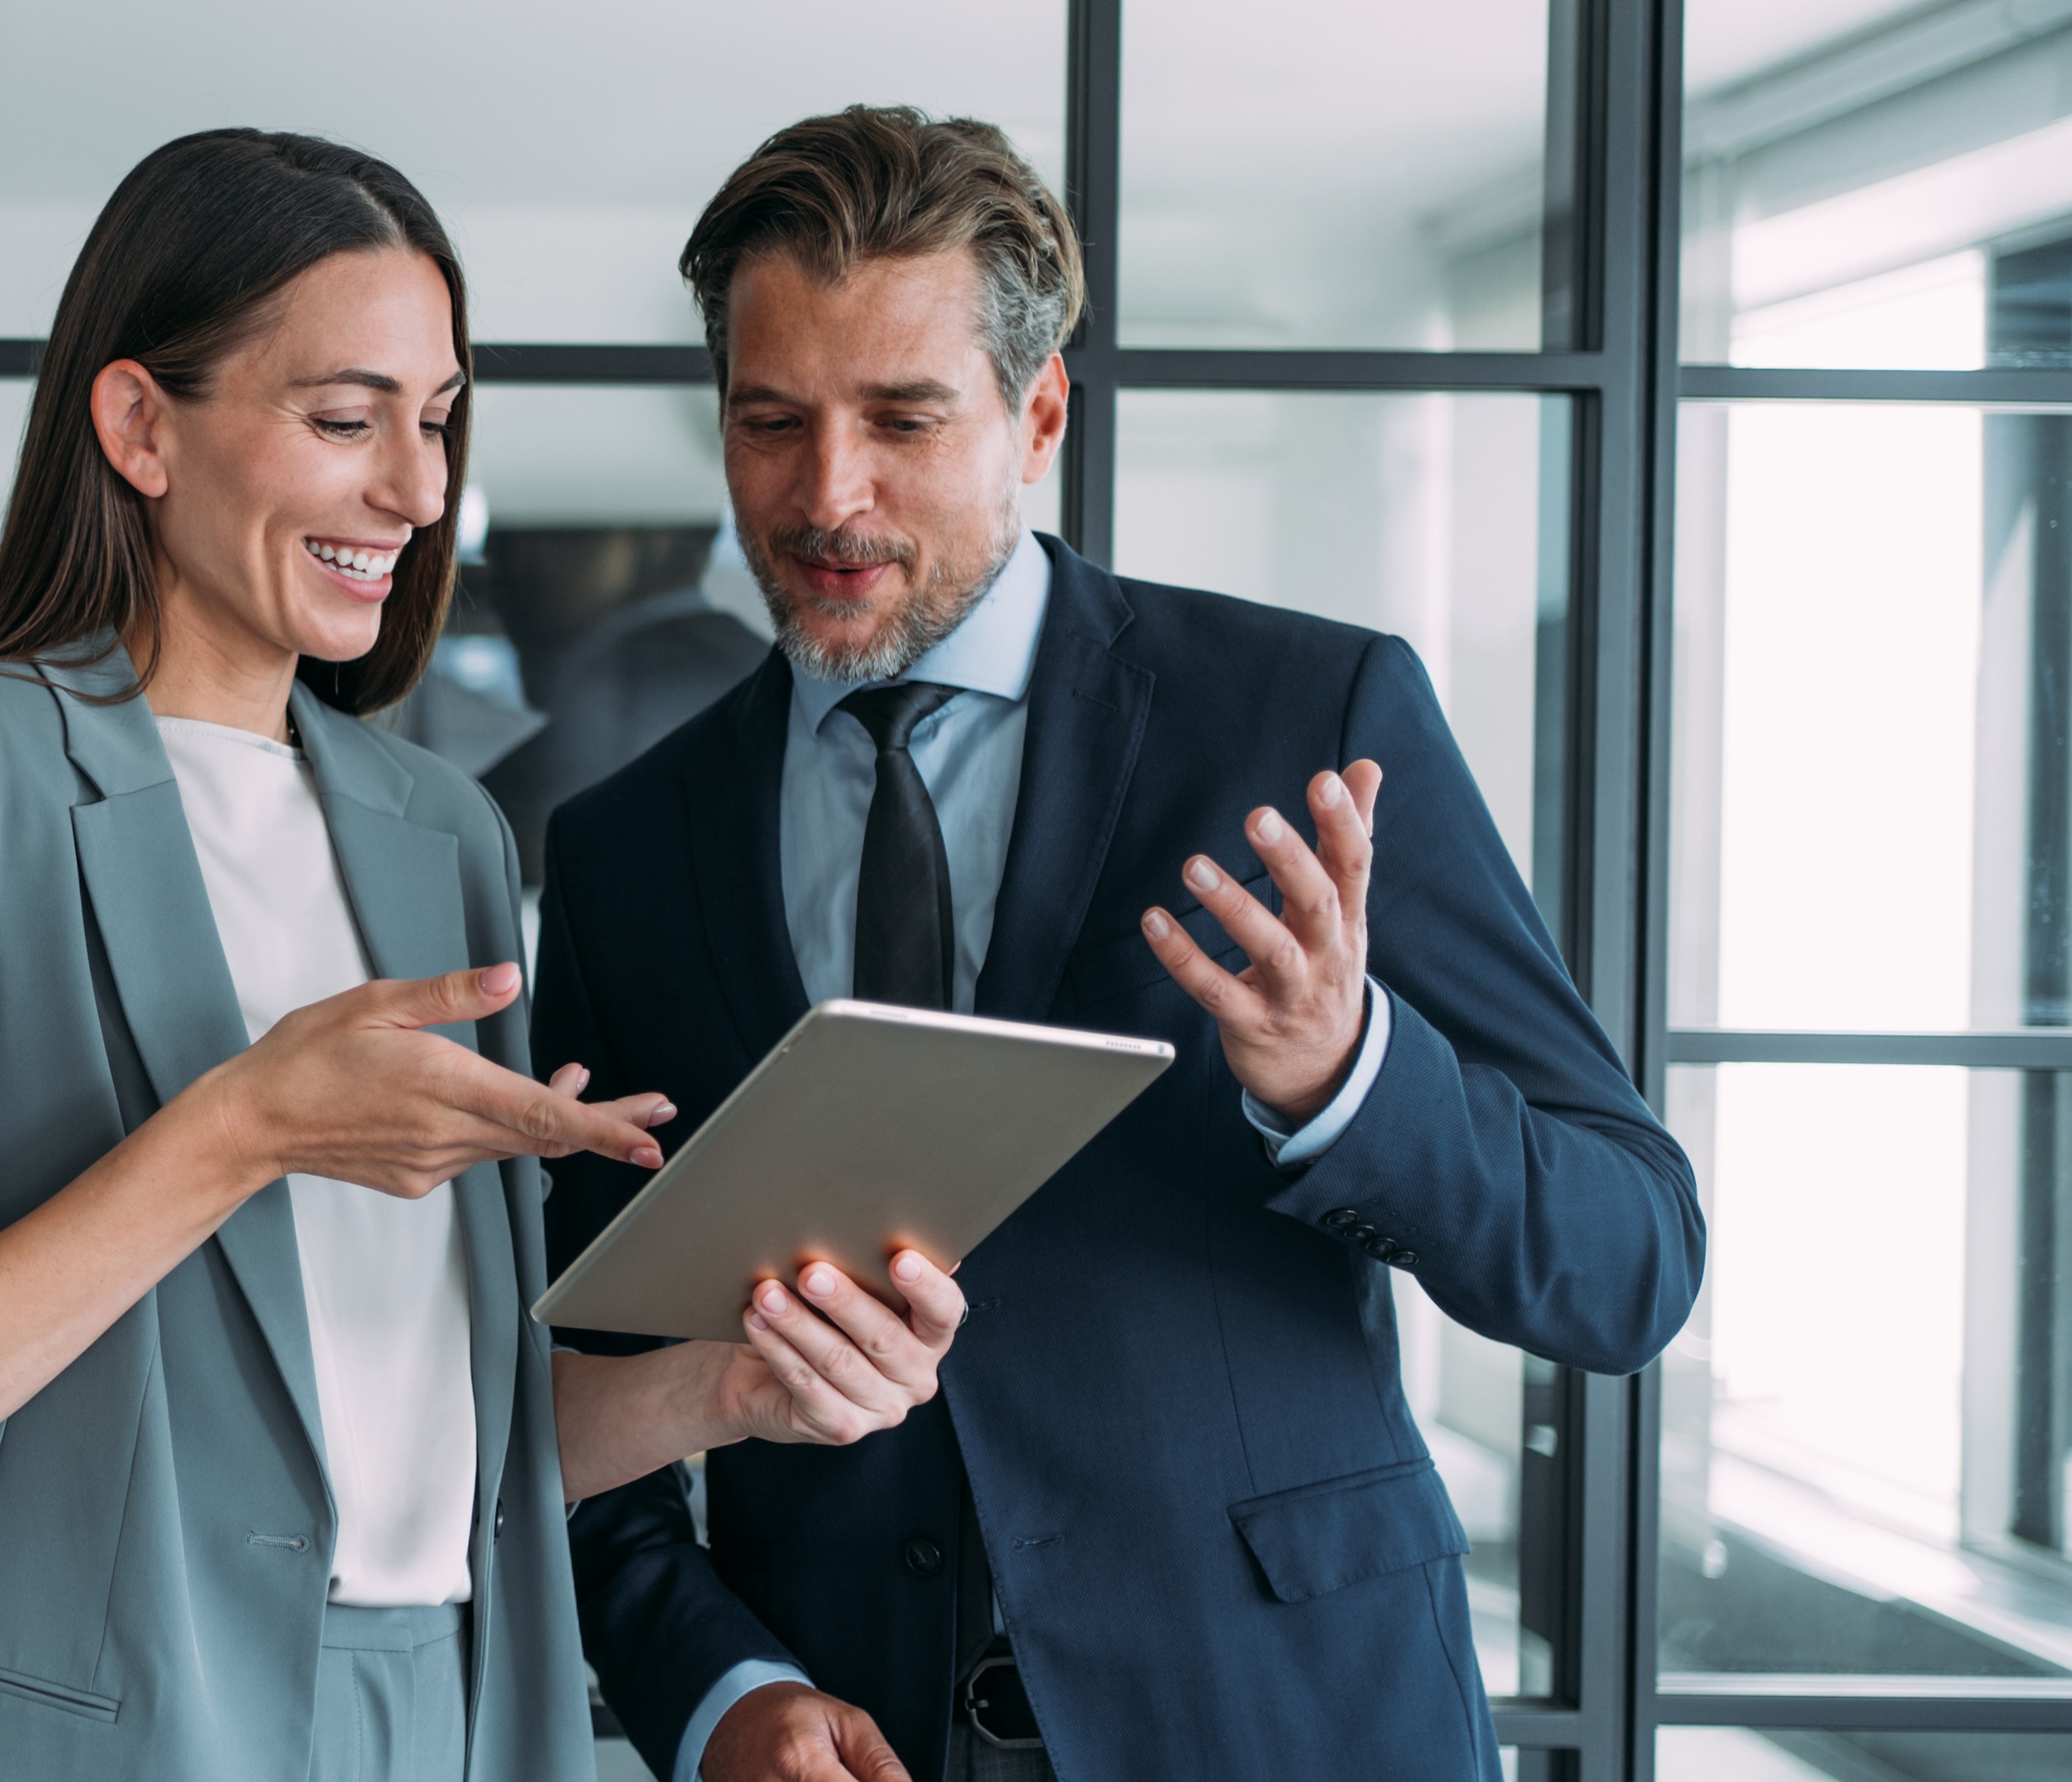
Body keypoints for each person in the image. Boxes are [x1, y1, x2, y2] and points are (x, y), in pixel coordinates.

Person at [0, 129, 965, 1782]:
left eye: (436, 422)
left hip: (438, 1713)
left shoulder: (439, 833)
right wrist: (241, 1130)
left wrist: (725, 1389)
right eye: (345, 419)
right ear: (140, 426)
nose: (419, 493)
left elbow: (434, 1441)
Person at [538, 107, 1704, 1782]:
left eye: (903, 420)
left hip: (1289, 1724)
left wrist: (1347, 1077)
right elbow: (587, 1386)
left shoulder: (1310, 718)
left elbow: (1628, 1260)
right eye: (771, 420)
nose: (828, 493)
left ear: (1038, 414)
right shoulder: (626, 851)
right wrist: (720, 1692)